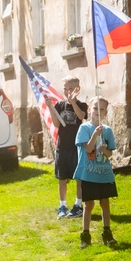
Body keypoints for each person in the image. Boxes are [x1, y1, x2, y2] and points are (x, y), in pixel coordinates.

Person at [74, 97, 118, 249]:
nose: (98, 112)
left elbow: (110, 153)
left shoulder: (107, 130)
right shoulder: (84, 129)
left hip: (104, 173)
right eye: (95, 108)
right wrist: (95, 135)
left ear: (106, 113)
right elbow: (87, 149)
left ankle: (107, 233)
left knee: (105, 202)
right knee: (89, 204)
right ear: (89, 110)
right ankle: (85, 235)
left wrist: (104, 149)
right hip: (89, 173)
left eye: (102, 109)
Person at [49, 76, 87, 219]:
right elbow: (57, 124)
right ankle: (62, 205)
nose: (67, 92)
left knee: (79, 178)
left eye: (70, 89)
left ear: (77, 89)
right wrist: (51, 108)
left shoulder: (82, 105)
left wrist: (73, 102)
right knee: (62, 178)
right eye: (65, 89)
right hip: (62, 147)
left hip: (76, 147)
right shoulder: (60, 105)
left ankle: (78, 205)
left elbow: (81, 116)